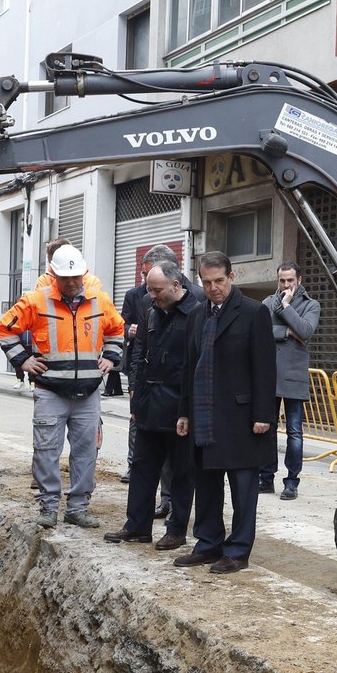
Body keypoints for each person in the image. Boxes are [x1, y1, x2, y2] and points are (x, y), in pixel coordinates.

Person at [0, 244, 125, 528]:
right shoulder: (36, 301)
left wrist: (112, 358)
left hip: (88, 393)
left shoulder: (100, 301)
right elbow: (5, 327)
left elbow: (116, 328)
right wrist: (23, 361)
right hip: (50, 390)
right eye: (65, 278)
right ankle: (48, 507)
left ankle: (77, 508)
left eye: (76, 277)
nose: (71, 283)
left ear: (84, 273)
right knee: (46, 450)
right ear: (53, 275)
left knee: (86, 452)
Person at [175, 252, 276, 574]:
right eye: (206, 282)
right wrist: (184, 413)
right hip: (204, 416)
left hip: (242, 417)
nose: (213, 287)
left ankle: (237, 551)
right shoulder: (195, 315)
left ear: (232, 277)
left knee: (244, 489)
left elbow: (265, 367)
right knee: (206, 484)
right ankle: (208, 544)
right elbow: (188, 367)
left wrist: (264, 414)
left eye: (219, 280)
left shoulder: (253, 312)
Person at [106, 261, 200, 549]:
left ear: (175, 285)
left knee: (181, 472)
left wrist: (188, 409)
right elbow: (139, 352)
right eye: (149, 289)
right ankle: (137, 526)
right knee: (142, 467)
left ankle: (176, 530)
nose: (152, 295)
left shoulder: (197, 312)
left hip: (180, 408)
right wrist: (135, 389)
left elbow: (196, 365)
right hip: (148, 404)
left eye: (157, 290)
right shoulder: (150, 309)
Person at [118, 244, 182, 484]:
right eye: (143, 275)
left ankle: (167, 487)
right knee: (137, 418)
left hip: (170, 376)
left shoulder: (191, 297)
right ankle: (133, 464)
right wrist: (129, 330)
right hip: (142, 366)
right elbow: (119, 325)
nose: (145, 282)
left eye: (148, 274)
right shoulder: (135, 296)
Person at [260, 262, 320, 500]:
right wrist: (286, 332)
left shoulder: (311, 305)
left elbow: (305, 331)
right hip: (269, 375)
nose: (286, 285)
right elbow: (261, 332)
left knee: (294, 432)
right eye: (282, 280)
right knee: (267, 430)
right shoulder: (266, 303)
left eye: (290, 281)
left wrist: (285, 307)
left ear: (299, 281)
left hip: (294, 376)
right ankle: (266, 479)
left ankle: (291, 483)